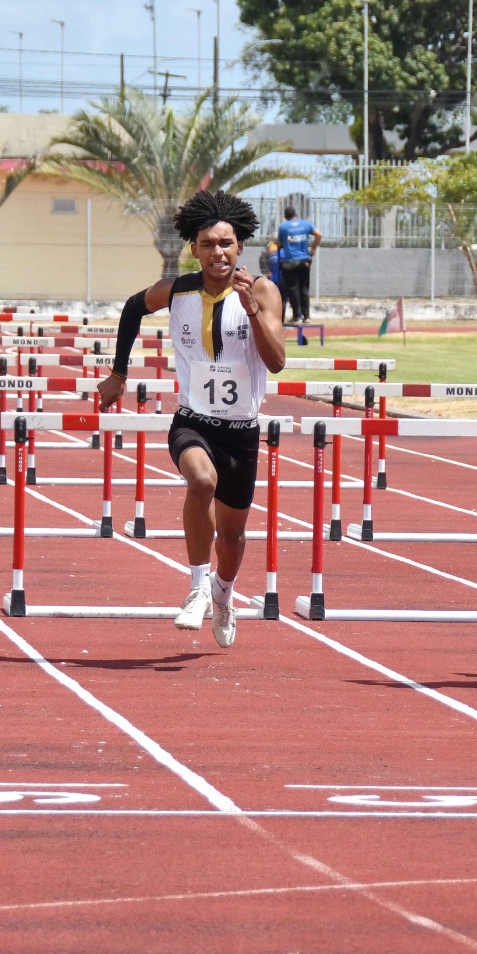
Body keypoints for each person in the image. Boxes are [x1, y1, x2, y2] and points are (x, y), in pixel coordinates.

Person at [98, 190, 286, 647]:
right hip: (193, 422)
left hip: (241, 431)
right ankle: (198, 587)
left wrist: (251, 309)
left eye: (226, 244)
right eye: (207, 244)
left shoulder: (262, 290)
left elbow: (277, 361)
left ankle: (223, 593)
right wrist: (119, 374)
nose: (218, 253)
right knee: (201, 482)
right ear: (194, 249)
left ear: (240, 246)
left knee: (233, 536)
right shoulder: (178, 289)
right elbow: (132, 307)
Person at [275, 204, 320, 323]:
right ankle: (307, 316)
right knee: (304, 288)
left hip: (290, 261)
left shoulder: (283, 227)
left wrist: (276, 242)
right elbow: (319, 234)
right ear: (296, 214)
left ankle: (297, 316)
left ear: (286, 216)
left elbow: (279, 243)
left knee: (293, 288)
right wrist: (313, 248)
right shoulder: (306, 224)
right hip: (304, 260)